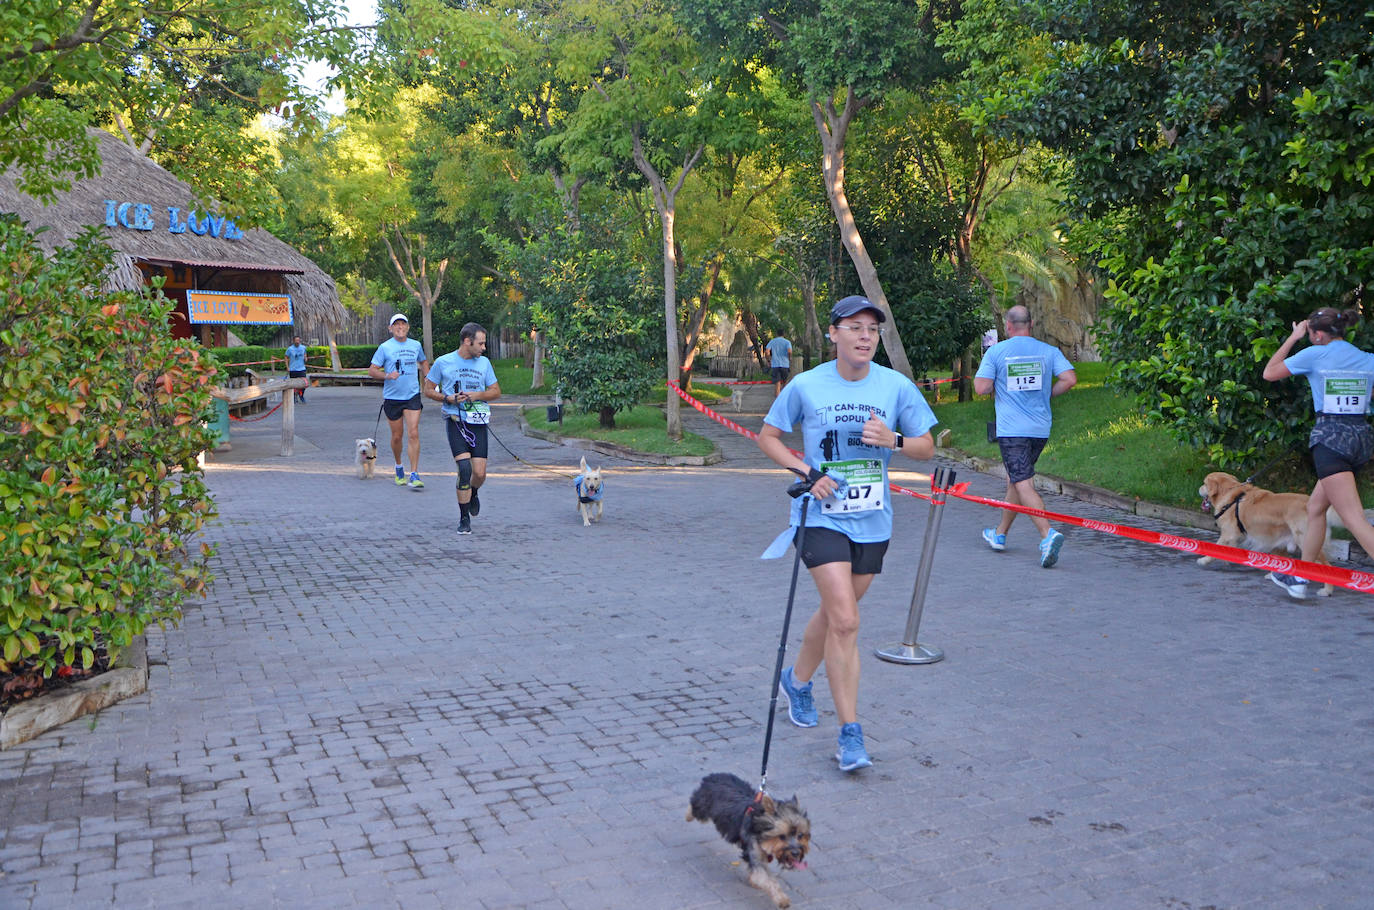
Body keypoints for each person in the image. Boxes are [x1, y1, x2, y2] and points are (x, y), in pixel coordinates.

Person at [757, 295, 937, 772]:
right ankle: (850, 735)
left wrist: (894, 441)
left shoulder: (895, 386)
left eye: (872, 330)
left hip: (873, 520)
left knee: (840, 615)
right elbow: (768, 437)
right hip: (821, 516)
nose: (864, 336)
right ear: (833, 333)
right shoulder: (806, 385)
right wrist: (806, 470)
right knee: (848, 622)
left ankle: (796, 680)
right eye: (854, 327)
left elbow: (926, 447)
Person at [1262, 306, 1374, 598]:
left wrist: (1293, 337)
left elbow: (1270, 372)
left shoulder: (1315, 354)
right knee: (1315, 508)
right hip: (1360, 439)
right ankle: (1300, 577)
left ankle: (1300, 575)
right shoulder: (1367, 359)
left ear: (1318, 334)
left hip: (1330, 441)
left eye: (1310, 333)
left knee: (1353, 519)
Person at [974, 305, 1077, 567]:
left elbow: (981, 387)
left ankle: (1047, 534)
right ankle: (1000, 534)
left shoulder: (996, 352)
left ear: (1008, 326)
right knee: (1015, 480)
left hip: (1012, 429)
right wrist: (1048, 394)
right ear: (1031, 325)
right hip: (1040, 428)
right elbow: (1069, 378)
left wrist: (998, 381)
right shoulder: (1049, 351)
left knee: (1023, 482)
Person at [424, 322, 501, 535]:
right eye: (481, 343)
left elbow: (496, 391)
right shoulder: (443, 362)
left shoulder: (484, 363)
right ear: (468, 342)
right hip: (455, 421)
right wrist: (447, 398)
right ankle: (464, 517)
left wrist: (478, 395)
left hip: (477, 422)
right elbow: (428, 390)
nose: (484, 348)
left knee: (480, 473)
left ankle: (473, 492)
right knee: (465, 469)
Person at [368, 314, 428, 489]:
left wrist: (429, 379)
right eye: (396, 325)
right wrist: (387, 375)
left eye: (403, 324)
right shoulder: (385, 347)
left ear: (408, 327)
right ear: (390, 328)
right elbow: (372, 371)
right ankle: (399, 466)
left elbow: (423, 362)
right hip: (393, 397)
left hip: (412, 396)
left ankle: (415, 473)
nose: (400, 327)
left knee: (413, 433)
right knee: (397, 436)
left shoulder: (416, 345)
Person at [764, 332, 793, 397]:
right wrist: (789, 358)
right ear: (784, 334)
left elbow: (767, 351)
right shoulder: (787, 342)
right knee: (785, 382)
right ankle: (785, 398)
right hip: (785, 364)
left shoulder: (772, 341)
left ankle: (778, 400)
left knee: (777, 383)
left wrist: (768, 360)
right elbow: (789, 351)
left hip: (775, 365)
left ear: (777, 334)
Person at [285, 335, 308, 403]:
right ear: (293, 341)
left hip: (301, 368)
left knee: (304, 383)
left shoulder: (303, 347)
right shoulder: (290, 349)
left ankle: (301, 395)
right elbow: (286, 357)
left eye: (298, 340)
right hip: (293, 369)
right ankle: (294, 396)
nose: (297, 342)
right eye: (296, 340)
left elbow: (305, 354)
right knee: (294, 384)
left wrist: (305, 358)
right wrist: (287, 367)